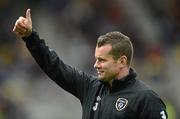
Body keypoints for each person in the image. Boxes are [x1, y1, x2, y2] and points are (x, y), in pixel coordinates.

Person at [13, 9, 168, 119]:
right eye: (96, 59)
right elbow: (55, 67)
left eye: (102, 60)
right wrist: (30, 37)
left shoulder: (146, 99)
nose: (95, 65)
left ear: (122, 61)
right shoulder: (91, 88)